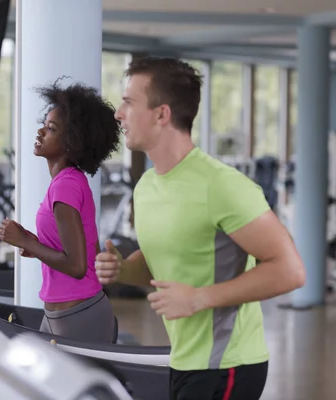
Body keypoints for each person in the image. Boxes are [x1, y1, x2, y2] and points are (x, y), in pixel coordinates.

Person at [95, 57, 306, 400]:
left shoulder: (221, 185)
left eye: (129, 102)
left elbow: (290, 270)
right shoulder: (147, 185)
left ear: (162, 114)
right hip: (183, 359)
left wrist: (198, 299)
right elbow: (161, 264)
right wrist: (122, 268)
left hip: (228, 365)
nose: (118, 113)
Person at [0, 80, 121, 343]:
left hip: (78, 315)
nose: (41, 131)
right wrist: (37, 245)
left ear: (71, 142)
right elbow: (86, 252)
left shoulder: (66, 185)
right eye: (44, 124)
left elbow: (76, 266)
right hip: (61, 315)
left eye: (51, 129)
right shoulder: (66, 182)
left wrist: (25, 241)